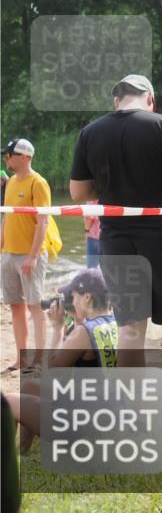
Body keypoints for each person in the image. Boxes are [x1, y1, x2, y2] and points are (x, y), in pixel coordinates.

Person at [68, 75, 162, 400]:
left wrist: (109, 182)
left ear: (116, 101)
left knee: (130, 328)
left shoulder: (91, 132)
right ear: (150, 100)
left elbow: (78, 192)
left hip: (116, 238)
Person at [5, 268, 119, 452]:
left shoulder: (83, 332)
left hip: (84, 427)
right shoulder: (115, 323)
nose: (71, 302)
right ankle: (22, 451)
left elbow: (54, 375)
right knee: (30, 387)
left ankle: (7, 464)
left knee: (8, 401)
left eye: (73, 297)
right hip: (109, 416)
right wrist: (77, 322)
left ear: (87, 298)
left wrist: (58, 328)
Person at [1, 138, 55, 374]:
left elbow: (43, 222)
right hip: (8, 253)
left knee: (34, 305)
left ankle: (40, 359)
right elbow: (6, 217)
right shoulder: (10, 182)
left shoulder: (39, 183)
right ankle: (21, 358)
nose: (6, 158)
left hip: (29, 254)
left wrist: (32, 257)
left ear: (24, 157)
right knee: (15, 306)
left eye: (9, 154)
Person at [83, 199, 101, 269]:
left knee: (91, 267)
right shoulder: (108, 196)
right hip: (106, 235)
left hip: (93, 237)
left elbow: (89, 218)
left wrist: (86, 232)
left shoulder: (92, 199)